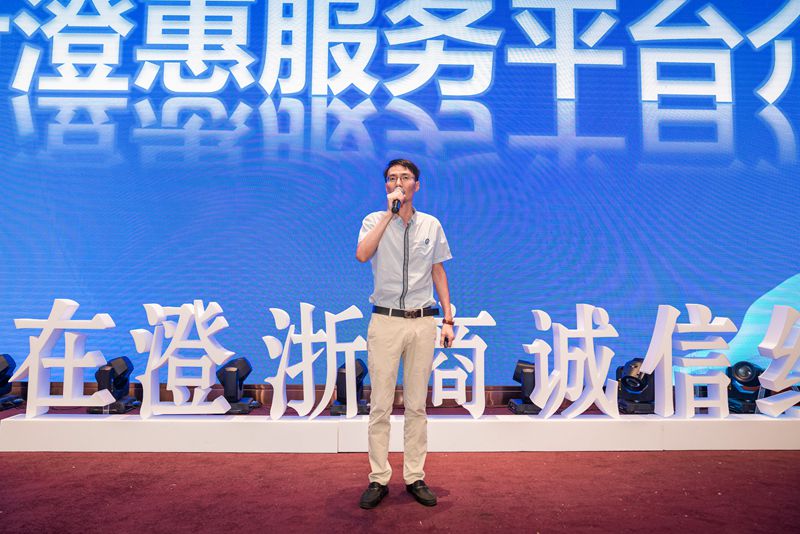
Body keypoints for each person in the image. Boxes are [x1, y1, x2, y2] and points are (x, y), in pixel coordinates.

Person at [355, 158, 455, 509]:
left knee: (416, 405)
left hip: (422, 321)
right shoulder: (373, 220)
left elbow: (438, 271)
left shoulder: (431, 225)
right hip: (386, 321)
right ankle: (378, 478)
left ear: (417, 185)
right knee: (381, 404)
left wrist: (448, 318)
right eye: (392, 178)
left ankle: (414, 476)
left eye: (405, 177)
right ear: (386, 186)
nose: (398, 182)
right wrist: (389, 214)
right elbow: (362, 255)